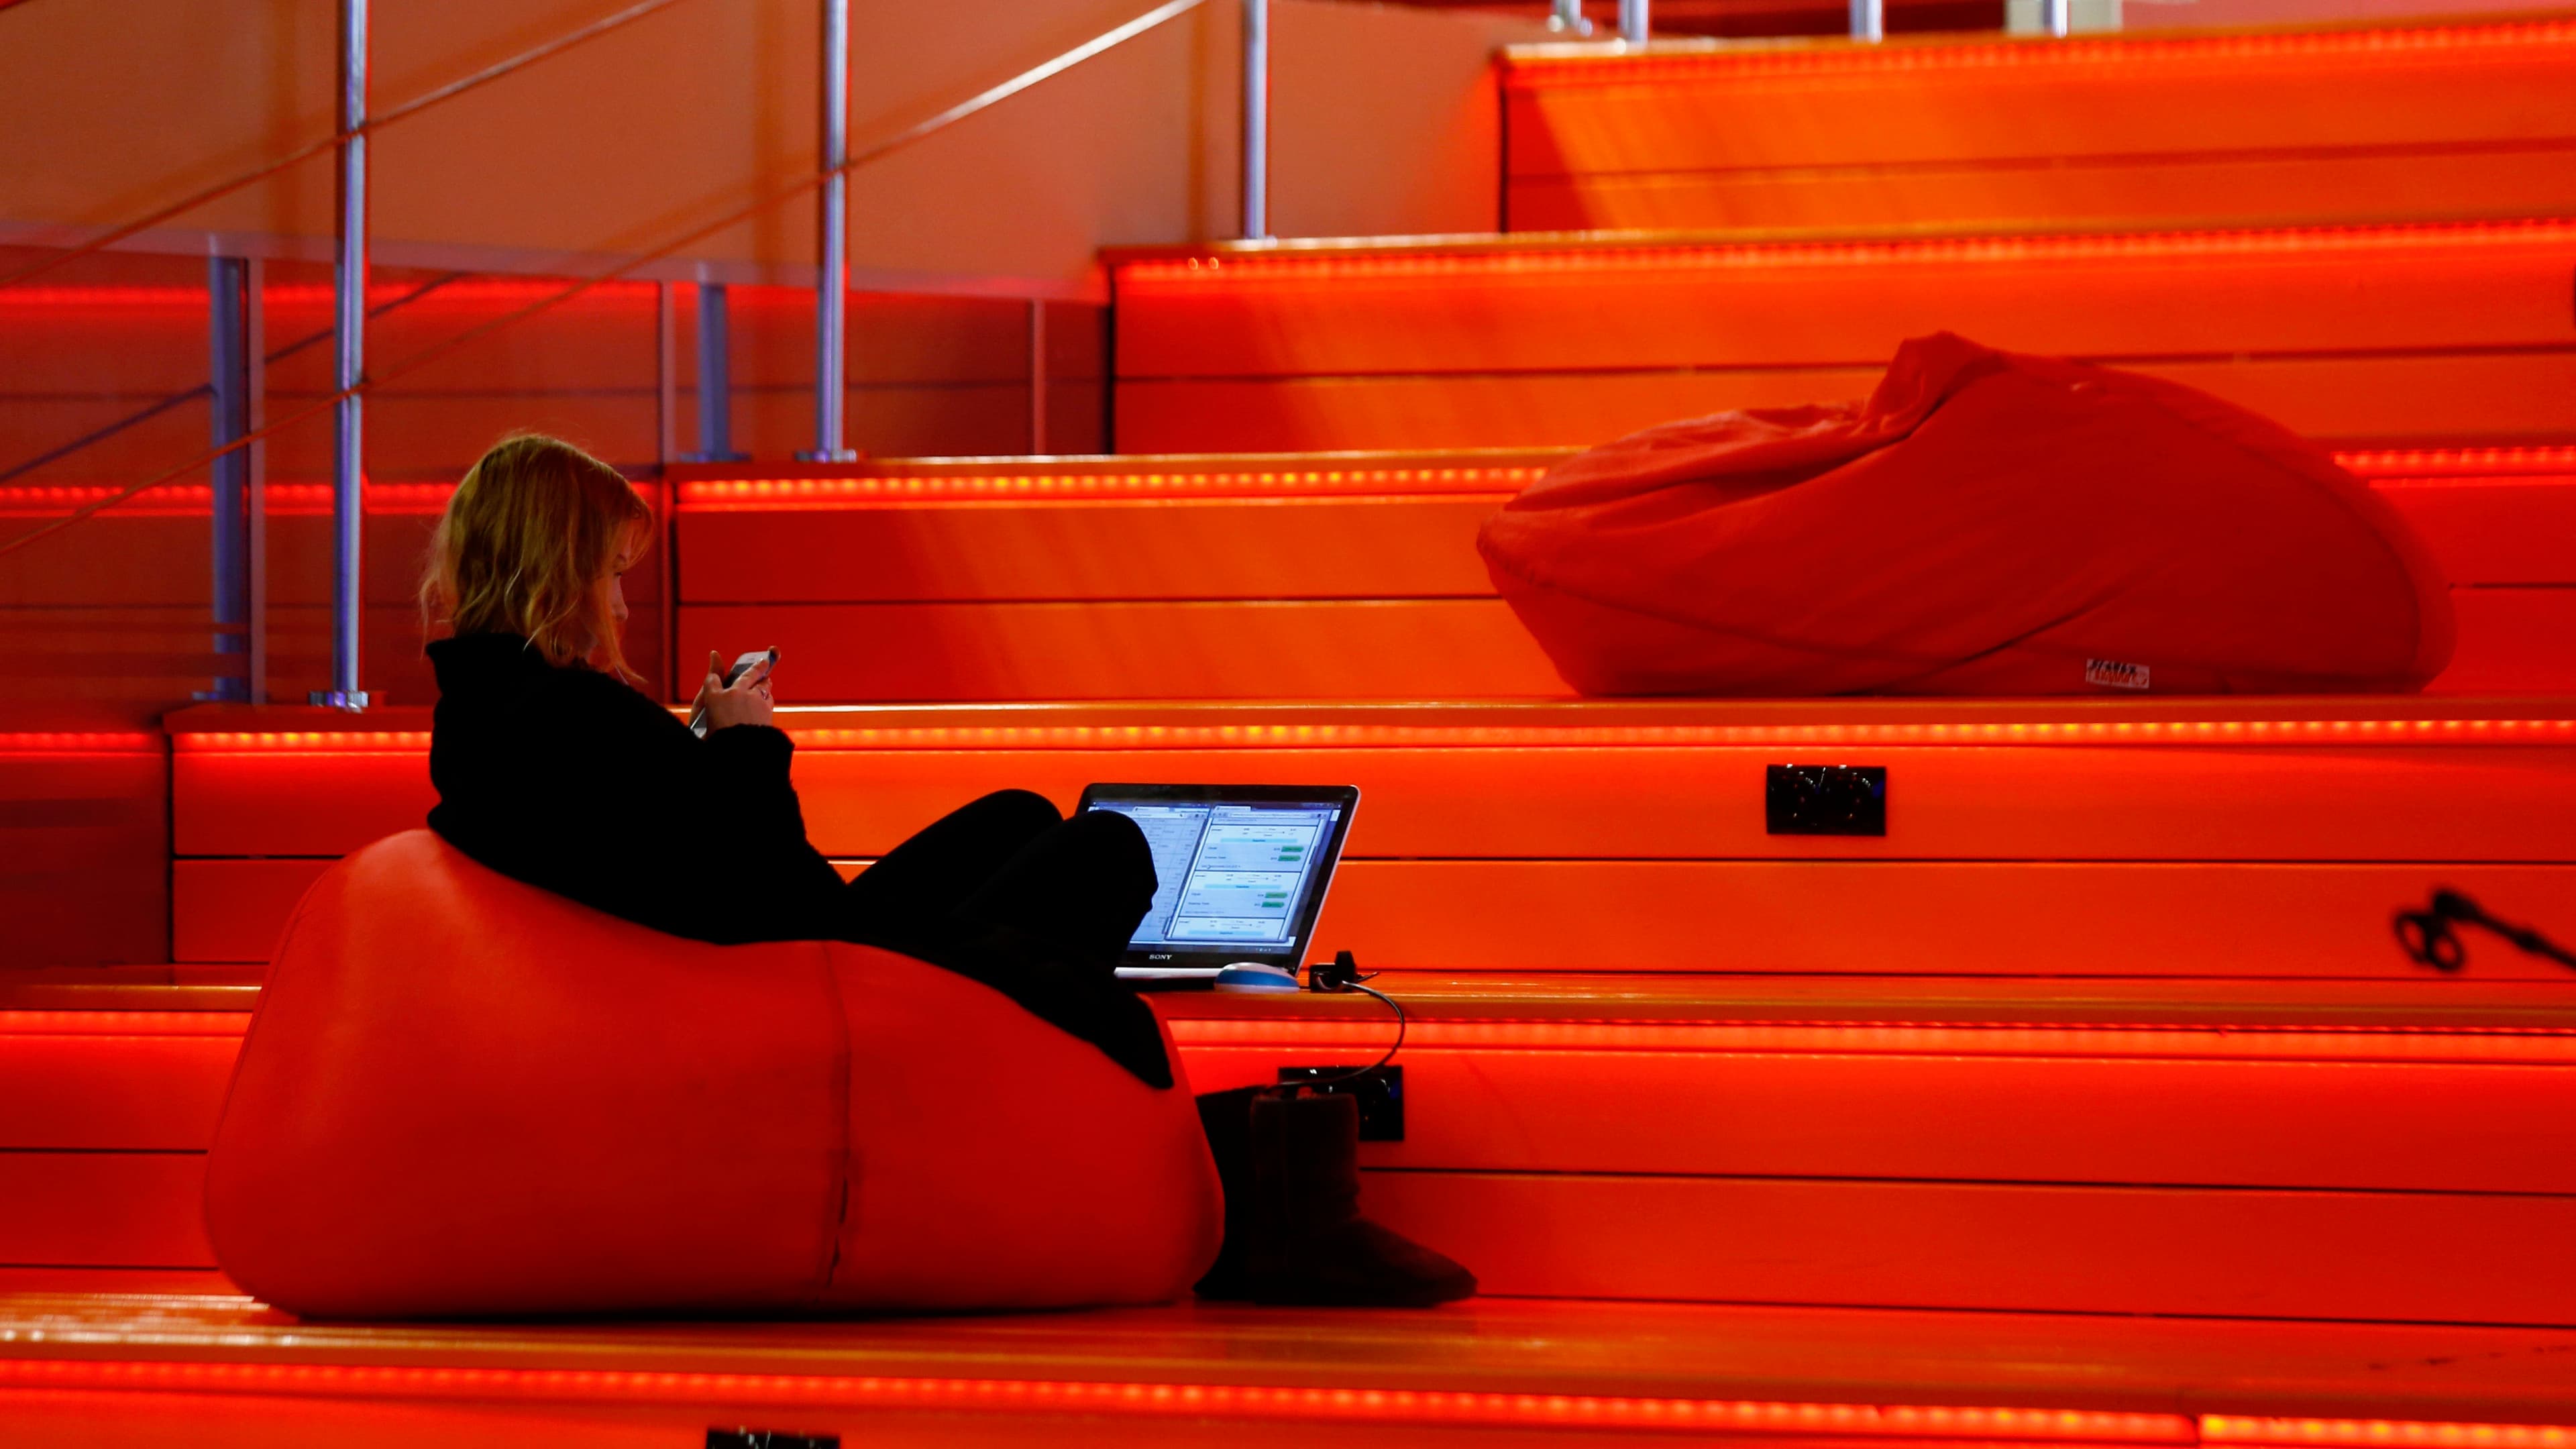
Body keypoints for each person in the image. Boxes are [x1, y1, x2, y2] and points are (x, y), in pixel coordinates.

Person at [418, 432, 1473, 1307]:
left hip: (774, 954)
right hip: (804, 979)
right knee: (1107, 849)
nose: (623, 600)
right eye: (611, 571)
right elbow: (767, 881)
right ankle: (1234, 1183)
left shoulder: (494, 715)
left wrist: (694, 752)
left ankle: (1243, 1168)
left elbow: (670, 850)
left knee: (1015, 815)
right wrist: (743, 745)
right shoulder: (572, 717)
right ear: (561, 569)